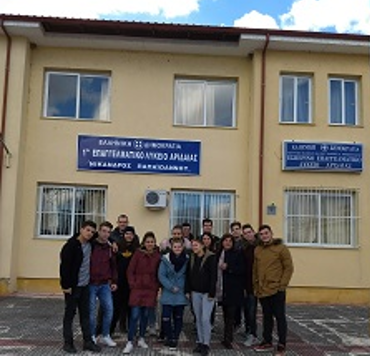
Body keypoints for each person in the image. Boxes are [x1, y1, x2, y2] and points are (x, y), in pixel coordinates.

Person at [59, 220, 101, 354]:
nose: (90, 233)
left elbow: (104, 236)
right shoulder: (70, 246)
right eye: (88, 230)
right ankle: (68, 343)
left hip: (85, 286)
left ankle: (88, 342)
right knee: (70, 315)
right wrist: (65, 286)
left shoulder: (90, 243)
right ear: (81, 229)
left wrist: (113, 242)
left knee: (86, 315)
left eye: (92, 232)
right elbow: (64, 267)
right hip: (73, 287)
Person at [253, 224, 294, 356]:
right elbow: (255, 270)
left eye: (266, 233)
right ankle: (267, 341)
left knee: (280, 317)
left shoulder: (281, 248)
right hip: (263, 290)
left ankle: (282, 344)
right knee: (266, 317)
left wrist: (282, 286)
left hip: (277, 289)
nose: (264, 236)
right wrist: (256, 286)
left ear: (271, 233)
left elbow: (288, 268)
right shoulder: (258, 250)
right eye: (262, 234)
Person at [123, 232, 161, 354]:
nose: (150, 244)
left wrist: (156, 286)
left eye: (152, 242)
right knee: (134, 315)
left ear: (155, 243)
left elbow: (159, 272)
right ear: (144, 243)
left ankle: (141, 338)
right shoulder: (138, 254)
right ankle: (130, 340)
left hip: (150, 289)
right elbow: (130, 270)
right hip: (137, 288)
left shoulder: (157, 256)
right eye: (148, 241)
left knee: (145, 315)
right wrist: (132, 284)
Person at [186, 238, 217, 356]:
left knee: (205, 318)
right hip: (195, 292)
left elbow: (214, 276)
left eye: (196, 245)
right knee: (198, 318)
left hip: (207, 293)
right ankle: (200, 341)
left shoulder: (211, 257)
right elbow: (189, 274)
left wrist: (212, 292)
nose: (194, 247)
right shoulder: (192, 257)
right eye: (193, 245)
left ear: (202, 246)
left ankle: (206, 343)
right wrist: (188, 290)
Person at [89, 221, 117, 347]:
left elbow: (113, 266)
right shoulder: (91, 245)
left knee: (109, 310)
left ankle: (105, 335)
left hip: (105, 284)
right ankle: (91, 336)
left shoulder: (110, 248)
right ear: (98, 231)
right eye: (104, 231)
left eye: (108, 232)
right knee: (91, 312)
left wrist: (114, 280)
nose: (106, 234)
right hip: (91, 284)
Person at [216, 234, 246, 349]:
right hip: (221, 289)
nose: (227, 243)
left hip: (233, 289)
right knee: (225, 315)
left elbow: (242, 269)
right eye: (225, 241)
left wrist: (228, 268)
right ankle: (226, 337)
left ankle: (228, 339)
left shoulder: (238, 254)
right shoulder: (218, 254)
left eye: (230, 241)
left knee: (231, 315)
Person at [158, 238, 189, 350]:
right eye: (175, 247)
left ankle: (175, 337)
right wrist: (170, 286)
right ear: (171, 247)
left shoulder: (187, 260)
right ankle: (169, 336)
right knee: (166, 317)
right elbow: (161, 275)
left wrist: (184, 288)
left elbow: (188, 275)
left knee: (178, 317)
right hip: (168, 292)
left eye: (179, 247)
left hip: (180, 292)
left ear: (183, 247)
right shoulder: (165, 260)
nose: (177, 249)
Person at [110, 226, 140, 334]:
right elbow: (113, 263)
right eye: (127, 234)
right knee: (116, 306)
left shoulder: (137, 248)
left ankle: (128, 328)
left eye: (131, 234)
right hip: (119, 281)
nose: (129, 236)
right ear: (124, 235)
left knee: (129, 307)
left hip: (131, 282)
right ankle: (110, 329)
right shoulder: (117, 247)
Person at [242, 224, 259, 347]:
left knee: (252, 310)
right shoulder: (244, 247)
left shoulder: (260, 246)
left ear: (253, 232)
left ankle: (253, 335)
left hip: (257, 283)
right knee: (247, 310)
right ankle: (249, 331)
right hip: (246, 283)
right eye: (245, 233)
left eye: (249, 232)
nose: (248, 234)